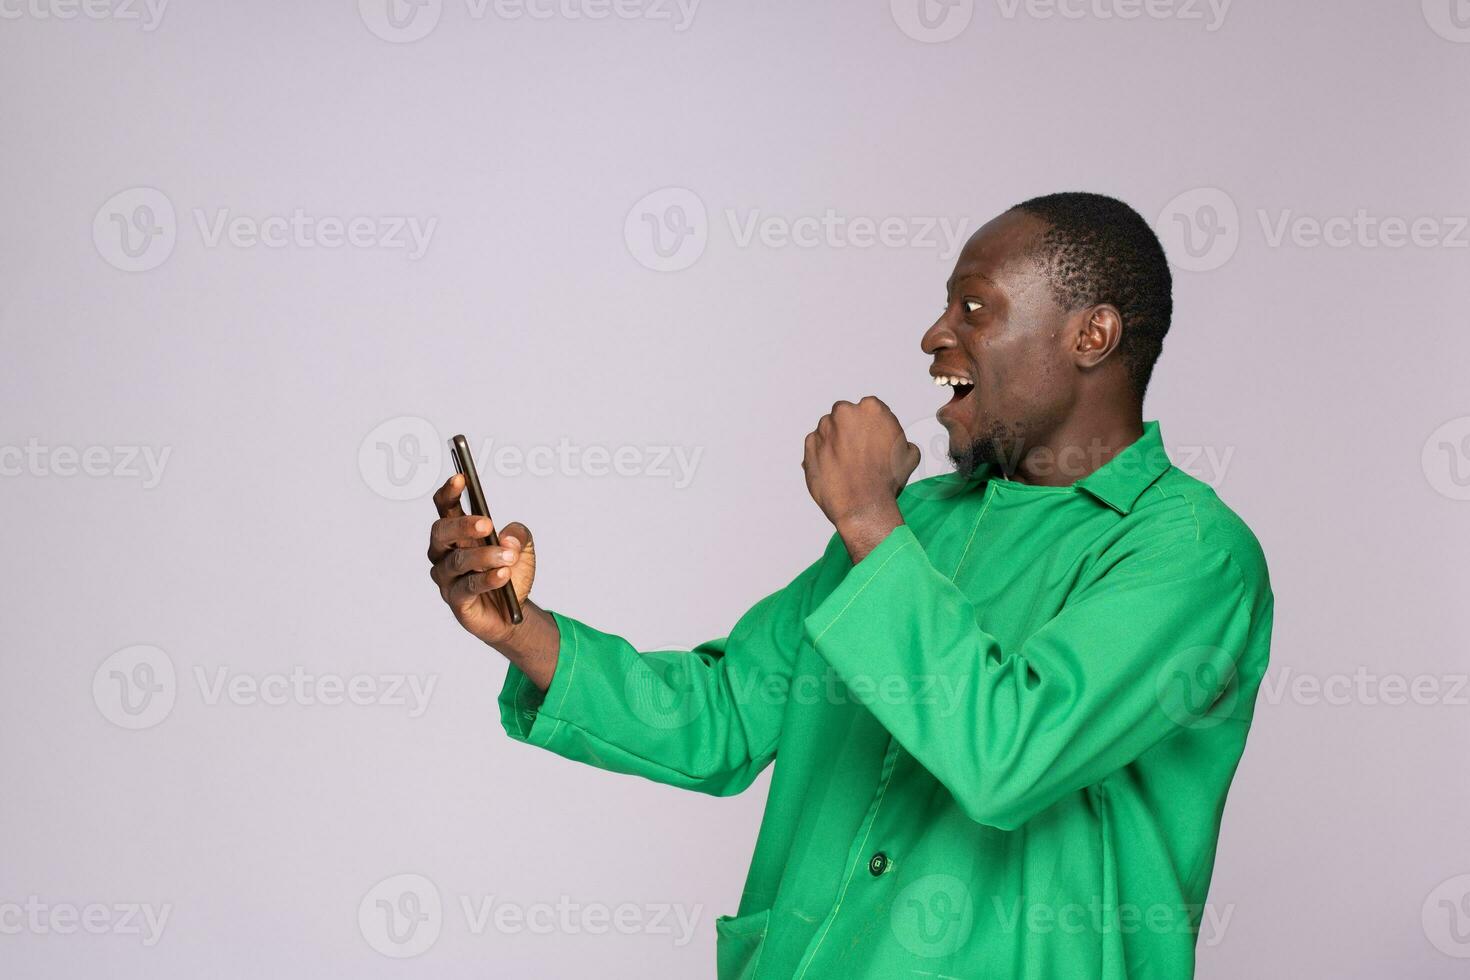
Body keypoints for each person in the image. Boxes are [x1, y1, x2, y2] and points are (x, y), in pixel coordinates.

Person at [425, 191, 1274, 979]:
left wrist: (868, 517)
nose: (934, 335)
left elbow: (1011, 757)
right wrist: (518, 628)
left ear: (1090, 336)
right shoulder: (918, 528)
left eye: (973, 306)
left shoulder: (1191, 556)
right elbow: (720, 715)